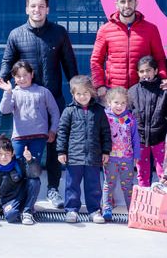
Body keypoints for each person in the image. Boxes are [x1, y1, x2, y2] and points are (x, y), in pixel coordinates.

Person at [0, 0, 78, 208]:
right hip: (25, 102)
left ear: (47, 9)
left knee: (55, 144)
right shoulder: (16, 34)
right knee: (22, 148)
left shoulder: (59, 32)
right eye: (33, 6)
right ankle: (18, 190)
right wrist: (0, 79)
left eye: (41, 6)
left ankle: (53, 189)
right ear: (26, 9)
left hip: (53, 97)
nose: (36, 9)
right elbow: (7, 62)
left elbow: (69, 65)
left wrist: (78, 90)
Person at [90, 0, 167, 96]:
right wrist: (99, 85)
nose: (126, 5)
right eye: (122, 2)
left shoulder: (151, 29)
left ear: (136, 3)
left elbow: (159, 58)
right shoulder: (105, 30)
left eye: (130, 1)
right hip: (114, 92)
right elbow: (96, 61)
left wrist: (163, 77)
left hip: (143, 90)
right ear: (117, 5)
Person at [56, 75, 111, 224]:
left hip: (93, 156)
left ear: (92, 92)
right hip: (74, 156)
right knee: (72, 185)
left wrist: (106, 151)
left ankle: (94, 211)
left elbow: (105, 132)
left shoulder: (99, 111)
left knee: (93, 185)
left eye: (85, 93)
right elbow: (62, 132)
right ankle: (72, 210)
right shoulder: (69, 111)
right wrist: (61, 151)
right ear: (73, 94)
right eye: (78, 93)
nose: (82, 96)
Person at [0, 61, 60, 165]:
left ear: (32, 74)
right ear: (14, 77)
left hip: (39, 137)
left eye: (25, 75)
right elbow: (4, 110)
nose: (22, 79)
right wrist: (7, 92)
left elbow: (54, 112)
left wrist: (53, 130)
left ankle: (34, 182)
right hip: (19, 137)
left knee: (34, 166)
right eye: (18, 76)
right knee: (17, 165)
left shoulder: (43, 91)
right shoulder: (12, 93)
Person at [128, 56, 167, 187]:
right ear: (138, 73)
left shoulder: (164, 91)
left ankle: (163, 201)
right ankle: (145, 202)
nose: (145, 74)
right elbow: (129, 116)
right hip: (140, 139)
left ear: (155, 71)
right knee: (142, 172)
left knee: (163, 172)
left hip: (160, 138)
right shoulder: (132, 91)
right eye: (141, 71)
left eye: (148, 70)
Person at [101, 87, 140, 222]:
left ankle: (131, 210)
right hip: (110, 158)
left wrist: (136, 155)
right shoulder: (105, 117)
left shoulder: (129, 118)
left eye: (123, 103)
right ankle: (106, 208)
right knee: (109, 184)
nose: (120, 106)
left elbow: (135, 137)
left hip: (127, 158)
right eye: (116, 102)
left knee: (128, 185)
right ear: (109, 102)